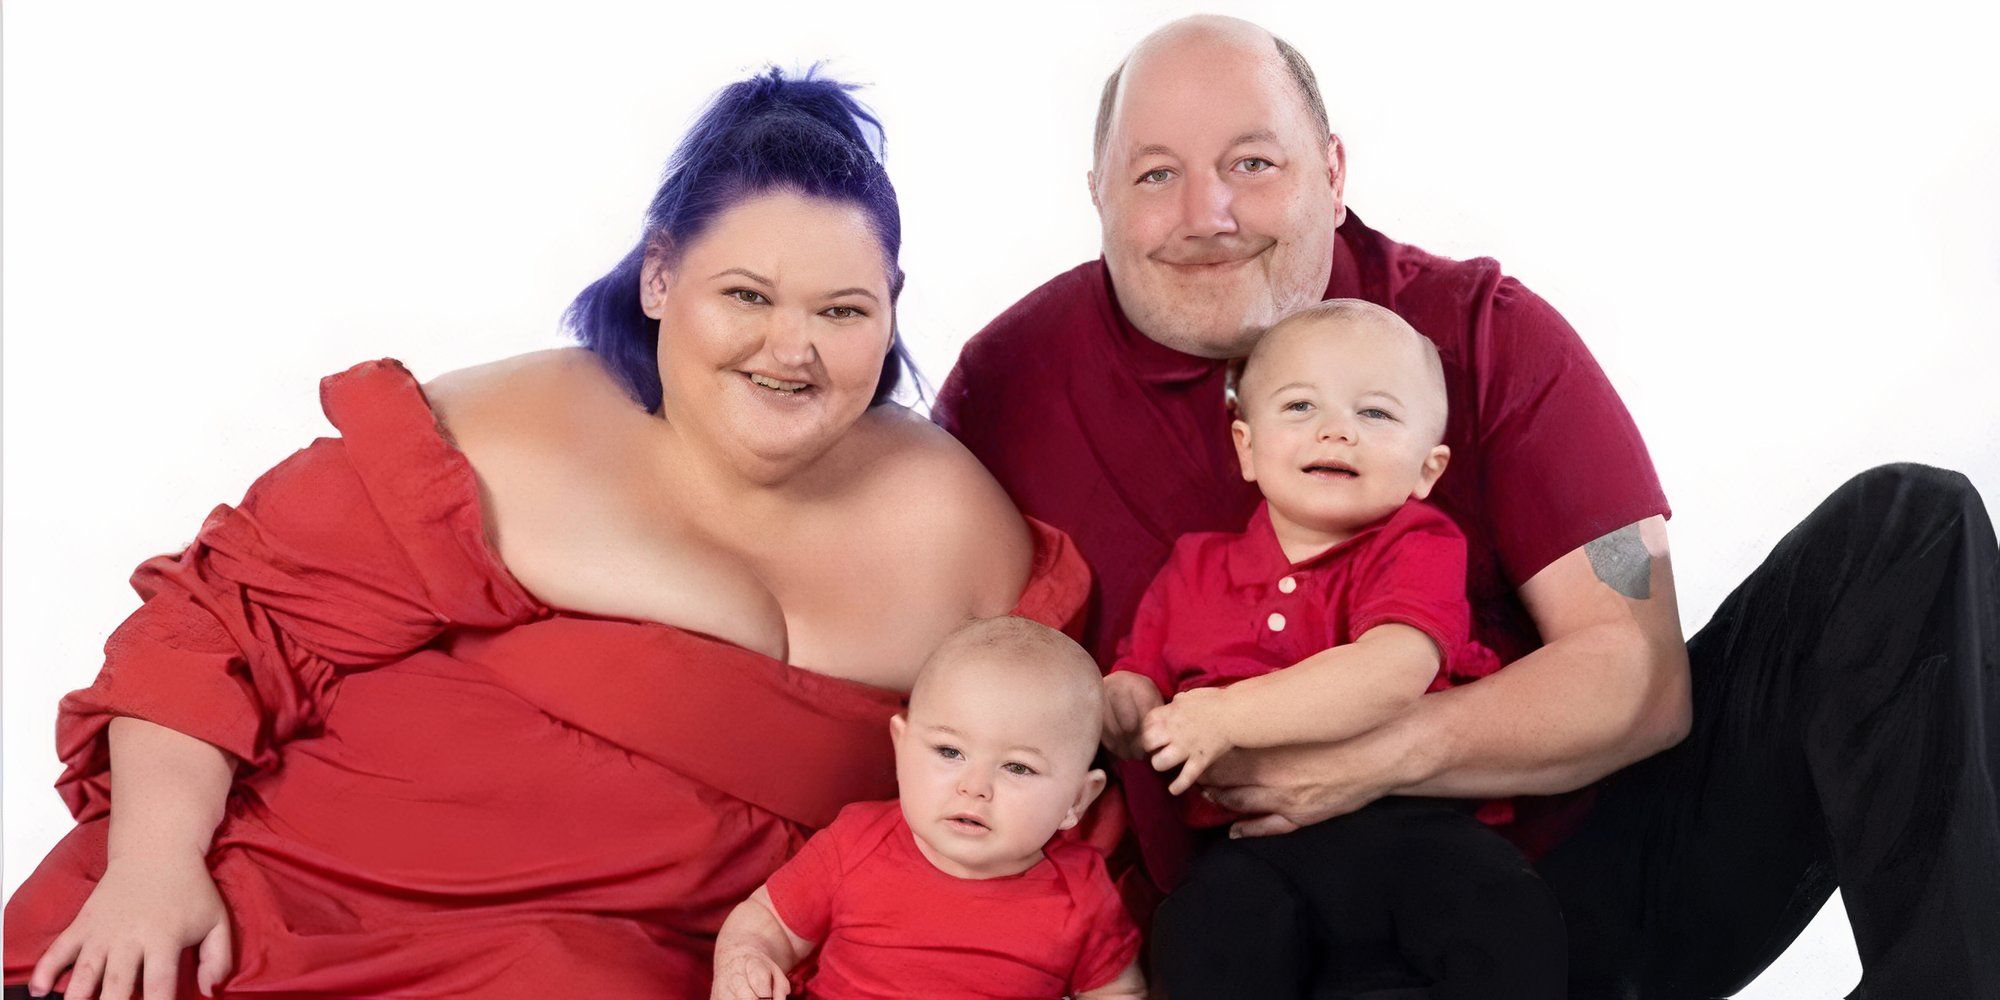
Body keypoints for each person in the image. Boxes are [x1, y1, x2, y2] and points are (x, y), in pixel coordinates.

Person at [934, 14, 1999, 998]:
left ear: (1333, 172)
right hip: (1265, 933)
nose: (1204, 213)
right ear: (1096, 194)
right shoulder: (1008, 385)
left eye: (1250, 164)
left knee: (1907, 526)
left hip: (1574, 879)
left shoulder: (1481, 332)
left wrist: (1372, 755)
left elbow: (1638, 677)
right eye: (1154, 173)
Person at [4, 69, 1093, 1000]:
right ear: (660, 276)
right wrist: (152, 865)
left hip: (627, 968)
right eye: (746, 294)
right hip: (306, 904)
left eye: (842, 311)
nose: (790, 348)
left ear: (894, 305)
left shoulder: (974, 545)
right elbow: (213, 630)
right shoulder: (489, 438)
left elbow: (1044, 805)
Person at [1101, 300, 1563, 998]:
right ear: (1246, 448)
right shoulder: (1193, 567)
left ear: (1425, 470)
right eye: (1299, 407)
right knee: (1203, 932)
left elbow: (1392, 671)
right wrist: (1125, 710)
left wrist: (1225, 717)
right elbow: (1138, 676)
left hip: (1411, 826)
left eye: (1375, 415)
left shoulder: (1417, 545)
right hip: (1253, 846)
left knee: (1505, 912)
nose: (1336, 430)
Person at [711, 617, 1144, 1000]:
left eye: (1017, 767)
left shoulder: (1082, 894)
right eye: (949, 751)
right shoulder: (855, 844)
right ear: (901, 750)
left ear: (1076, 801)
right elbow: (766, 920)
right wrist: (744, 958)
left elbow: (1119, 990)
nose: (974, 788)